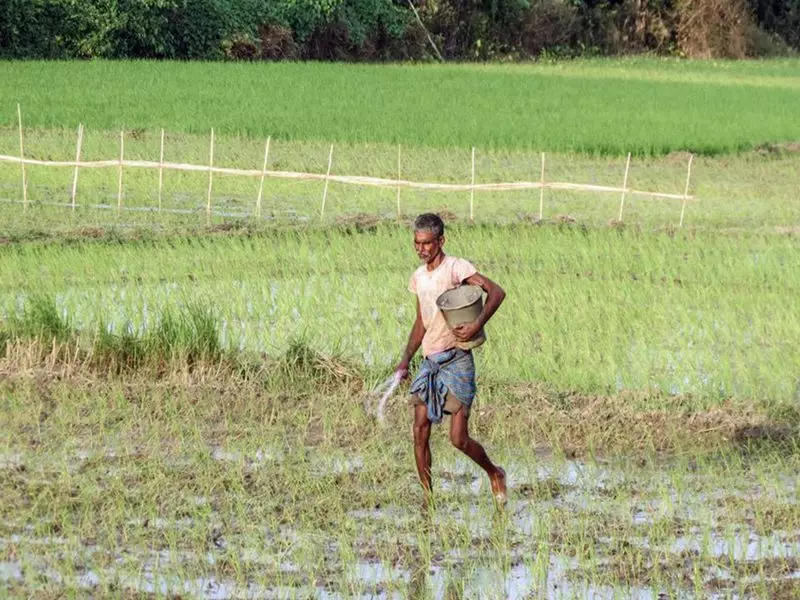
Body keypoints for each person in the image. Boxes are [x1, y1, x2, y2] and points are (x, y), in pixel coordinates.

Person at [395, 213, 507, 509]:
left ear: (441, 241)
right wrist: (405, 360)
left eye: (427, 243)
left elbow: (496, 292)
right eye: (417, 243)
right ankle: (428, 500)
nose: (421, 249)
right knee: (419, 432)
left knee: (458, 439)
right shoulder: (419, 277)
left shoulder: (457, 268)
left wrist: (476, 324)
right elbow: (421, 321)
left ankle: (495, 473)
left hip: (457, 359)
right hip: (430, 362)